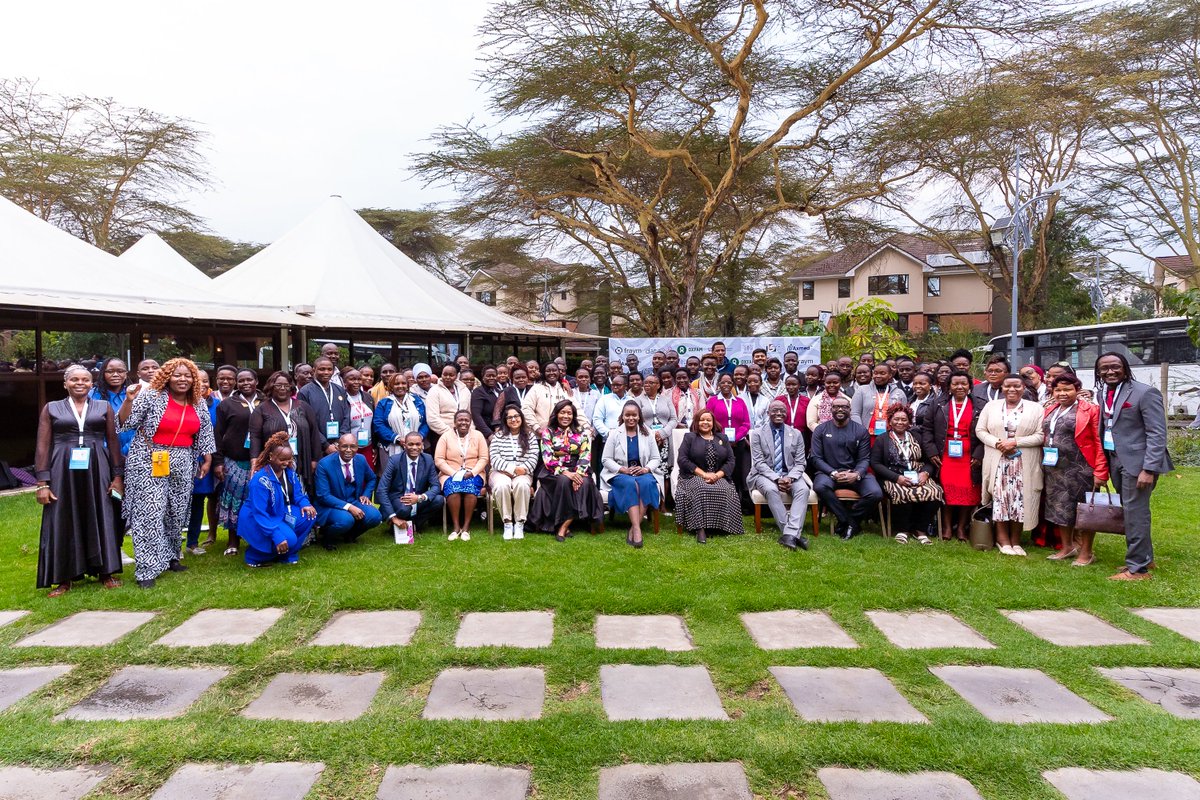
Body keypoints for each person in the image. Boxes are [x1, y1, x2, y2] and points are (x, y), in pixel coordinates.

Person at [117, 358, 216, 588]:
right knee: (150, 511)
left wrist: (207, 456)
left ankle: (172, 556)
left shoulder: (198, 402)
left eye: (187, 376)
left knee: (176, 510)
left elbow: (205, 431)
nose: (183, 380)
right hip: (149, 456)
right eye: (177, 375)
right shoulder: (151, 395)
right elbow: (124, 423)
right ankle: (147, 568)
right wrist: (128, 402)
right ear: (166, 377)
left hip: (183, 458)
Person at [34, 365, 124, 595]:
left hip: (97, 465)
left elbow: (113, 441)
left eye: (85, 379)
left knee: (101, 514)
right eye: (74, 379)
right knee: (63, 516)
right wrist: (43, 482)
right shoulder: (51, 408)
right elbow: (43, 444)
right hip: (62, 467)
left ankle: (106, 572)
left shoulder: (103, 407)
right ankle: (64, 577)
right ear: (65, 383)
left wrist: (117, 475)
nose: (80, 383)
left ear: (92, 384)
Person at [1095, 351, 1173, 580]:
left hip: (1138, 464)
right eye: (1104, 368)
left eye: (1115, 367)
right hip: (1115, 459)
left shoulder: (1144, 393)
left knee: (1135, 514)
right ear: (1098, 372)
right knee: (1132, 512)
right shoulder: (1103, 393)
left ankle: (1137, 569)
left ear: (1125, 368)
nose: (1110, 371)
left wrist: (1149, 469)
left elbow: (1157, 433)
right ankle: (1145, 560)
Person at [1041, 375, 1108, 566]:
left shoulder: (1090, 410)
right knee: (1060, 508)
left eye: (1067, 389)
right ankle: (1067, 547)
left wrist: (1101, 471)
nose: (1062, 393)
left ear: (1077, 390)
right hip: (1055, 469)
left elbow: (1098, 441)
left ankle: (1086, 552)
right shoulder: (1051, 409)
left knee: (1085, 511)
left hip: (1081, 469)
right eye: (1058, 390)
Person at [976, 374, 1046, 556]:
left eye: (1016, 386)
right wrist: (999, 443)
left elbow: (1040, 435)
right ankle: (1002, 540)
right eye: (1007, 386)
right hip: (998, 460)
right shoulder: (991, 406)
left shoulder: (1036, 408)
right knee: (1000, 498)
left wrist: (1015, 442)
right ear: (1002, 388)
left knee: (1020, 499)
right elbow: (980, 430)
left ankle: (1016, 541)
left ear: (1024, 388)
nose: (1011, 389)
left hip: (1023, 462)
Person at [921, 371, 984, 542]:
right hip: (945, 454)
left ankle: (962, 528)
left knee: (968, 490)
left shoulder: (980, 405)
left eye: (963, 383)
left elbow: (987, 431)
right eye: (955, 384)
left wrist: (979, 454)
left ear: (970, 386)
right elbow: (927, 429)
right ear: (949, 387)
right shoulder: (938, 403)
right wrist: (932, 451)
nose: (960, 387)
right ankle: (947, 527)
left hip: (969, 456)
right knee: (947, 490)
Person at [528, 400, 603, 541]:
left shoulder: (582, 432)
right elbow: (548, 458)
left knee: (585, 483)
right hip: (553, 470)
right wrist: (567, 473)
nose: (566, 416)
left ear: (573, 415)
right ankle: (563, 522)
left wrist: (578, 474)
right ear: (556, 414)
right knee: (563, 480)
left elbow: (585, 455)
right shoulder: (548, 432)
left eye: (569, 413)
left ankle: (563, 525)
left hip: (579, 468)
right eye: (562, 412)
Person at [239, 432, 317, 566]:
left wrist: (306, 504)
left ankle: (287, 553)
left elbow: (298, 494)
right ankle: (254, 557)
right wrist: (277, 535)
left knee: (309, 515)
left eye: (289, 459)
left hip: (280, 512)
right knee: (288, 538)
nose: (286, 463)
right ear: (271, 456)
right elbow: (260, 512)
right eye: (282, 459)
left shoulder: (290, 473)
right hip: (258, 518)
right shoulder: (260, 480)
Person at [871, 405, 943, 545]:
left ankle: (919, 529)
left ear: (909, 422)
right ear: (890, 421)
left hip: (918, 474)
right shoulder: (882, 439)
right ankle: (902, 529)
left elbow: (929, 460)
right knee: (901, 493)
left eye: (904, 419)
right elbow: (876, 464)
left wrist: (926, 473)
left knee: (935, 492)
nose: (900, 422)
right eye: (896, 419)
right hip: (893, 476)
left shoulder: (917, 436)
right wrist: (896, 478)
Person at [811, 396, 881, 540]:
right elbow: (816, 458)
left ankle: (851, 520)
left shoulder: (860, 431)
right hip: (829, 472)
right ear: (831, 410)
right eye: (836, 407)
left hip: (854, 472)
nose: (840, 409)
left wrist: (857, 474)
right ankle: (848, 521)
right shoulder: (821, 430)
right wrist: (833, 472)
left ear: (850, 409)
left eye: (844, 407)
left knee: (875, 493)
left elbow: (864, 459)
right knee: (820, 486)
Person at [748, 400, 811, 551]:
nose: (779, 413)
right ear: (768, 413)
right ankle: (793, 534)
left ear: (786, 413)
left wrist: (790, 477)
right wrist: (777, 478)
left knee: (803, 490)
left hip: (790, 475)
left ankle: (789, 535)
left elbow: (800, 462)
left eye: (782, 410)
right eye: (775, 410)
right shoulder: (757, 433)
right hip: (764, 474)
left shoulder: (796, 434)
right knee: (771, 490)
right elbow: (758, 463)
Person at [213, 368, 263, 557]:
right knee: (235, 502)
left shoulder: (266, 402)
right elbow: (217, 435)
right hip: (234, 461)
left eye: (249, 379)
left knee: (258, 501)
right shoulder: (227, 405)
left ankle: (257, 538)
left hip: (262, 461)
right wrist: (218, 462)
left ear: (256, 381)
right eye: (241, 381)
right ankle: (233, 541)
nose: (245, 383)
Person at [601, 401, 663, 548]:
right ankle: (637, 529)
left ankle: (634, 528)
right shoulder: (614, 434)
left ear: (639, 416)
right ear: (622, 416)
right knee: (631, 483)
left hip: (643, 472)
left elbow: (656, 458)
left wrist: (646, 469)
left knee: (646, 483)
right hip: (620, 473)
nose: (631, 418)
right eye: (627, 415)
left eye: (634, 415)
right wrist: (622, 469)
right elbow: (606, 459)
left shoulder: (647, 433)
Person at [251, 371, 325, 492]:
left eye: (286, 385)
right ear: (271, 387)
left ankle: (297, 510)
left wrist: (315, 460)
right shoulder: (262, 409)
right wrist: (255, 462)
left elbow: (314, 434)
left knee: (299, 492)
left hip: (301, 458)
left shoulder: (303, 406)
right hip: (275, 461)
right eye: (278, 385)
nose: (282, 388)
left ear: (291, 387)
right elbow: (255, 437)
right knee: (278, 491)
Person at [91, 357, 135, 563]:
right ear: (103, 373)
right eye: (110, 371)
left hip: (133, 457)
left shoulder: (134, 394)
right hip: (104, 457)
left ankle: (119, 544)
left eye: (120, 371)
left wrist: (127, 450)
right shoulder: (94, 396)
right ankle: (112, 549)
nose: (115, 374)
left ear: (126, 373)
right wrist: (112, 453)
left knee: (127, 505)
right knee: (111, 502)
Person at [675, 409, 743, 542]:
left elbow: (731, 460)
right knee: (700, 489)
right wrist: (704, 474)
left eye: (708, 420)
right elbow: (683, 460)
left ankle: (719, 526)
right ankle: (700, 528)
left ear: (713, 422)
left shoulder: (722, 438)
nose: (705, 422)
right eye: (702, 420)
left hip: (718, 475)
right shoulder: (690, 438)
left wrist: (717, 476)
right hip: (693, 476)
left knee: (726, 489)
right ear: (697, 422)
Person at [313, 433, 382, 549]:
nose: (349, 450)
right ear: (338, 447)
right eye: (344, 446)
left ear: (357, 447)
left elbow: (372, 478)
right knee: (346, 520)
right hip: (329, 504)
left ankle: (350, 535)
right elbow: (323, 495)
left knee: (375, 516)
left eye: (353, 446)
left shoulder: (361, 459)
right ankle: (327, 538)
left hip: (353, 499)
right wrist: (349, 507)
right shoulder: (324, 465)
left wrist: (366, 495)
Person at [435, 410, 489, 541]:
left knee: (470, 491)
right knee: (453, 490)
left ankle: (466, 527)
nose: (463, 422)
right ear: (454, 422)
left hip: (473, 473)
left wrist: (473, 472)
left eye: (466, 420)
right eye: (460, 420)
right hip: (450, 473)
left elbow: (483, 458)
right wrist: (454, 473)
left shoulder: (478, 435)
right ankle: (456, 527)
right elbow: (439, 459)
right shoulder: (446, 436)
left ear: (470, 422)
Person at [378, 432, 445, 534]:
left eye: (418, 444)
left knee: (439, 500)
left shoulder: (427, 459)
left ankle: (415, 525)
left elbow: (436, 486)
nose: (414, 447)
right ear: (404, 445)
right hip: (399, 499)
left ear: (422, 445)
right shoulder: (394, 460)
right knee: (405, 508)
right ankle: (395, 524)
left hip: (417, 498)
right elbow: (381, 490)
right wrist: (393, 517)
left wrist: (420, 497)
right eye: (410, 444)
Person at [490, 404, 539, 540]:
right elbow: (494, 458)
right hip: (500, 472)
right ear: (505, 420)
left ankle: (519, 523)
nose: (513, 419)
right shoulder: (498, 436)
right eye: (509, 417)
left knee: (522, 485)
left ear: (521, 418)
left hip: (524, 472)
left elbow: (534, 457)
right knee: (502, 486)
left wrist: (520, 471)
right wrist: (511, 470)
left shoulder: (530, 436)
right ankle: (507, 523)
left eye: (516, 416)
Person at [186, 371, 220, 555]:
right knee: (182, 502)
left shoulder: (217, 405)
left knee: (199, 500)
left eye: (205, 381)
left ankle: (192, 542)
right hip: (185, 456)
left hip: (209, 457)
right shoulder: (182, 403)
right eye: (198, 381)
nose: (202, 384)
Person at [707, 373, 752, 510]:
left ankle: (742, 503)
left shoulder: (740, 401)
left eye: (729, 382)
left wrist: (736, 437)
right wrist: (725, 438)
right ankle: (724, 501)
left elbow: (746, 423)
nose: (726, 385)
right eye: (723, 382)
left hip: (739, 443)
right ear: (718, 384)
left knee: (740, 471)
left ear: (733, 384)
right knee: (724, 471)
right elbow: (709, 421)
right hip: (719, 443)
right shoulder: (713, 401)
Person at [298, 356, 350, 454]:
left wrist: (340, 440)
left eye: (329, 369)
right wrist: (325, 445)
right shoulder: (305, 392)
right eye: (322, 369)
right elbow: (306, 422)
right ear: (314, 371)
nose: (326, 372)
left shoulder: (340, 390)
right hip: (317, 447)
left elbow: (346, 416)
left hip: (339, 445)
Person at [374, 373, 428, 458]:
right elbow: (378, 425)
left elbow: (425, 422)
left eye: (403, 383)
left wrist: (418, 437)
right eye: (396, 384)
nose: (400, 386)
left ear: (407, 386)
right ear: (391, 386)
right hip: (391, 446)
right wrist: (397, 438)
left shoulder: (417, 401)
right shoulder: (383, 403)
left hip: (415, 446)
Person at [851, 364, 907, 438]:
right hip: (866, 435)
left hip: (891, 435)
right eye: (875, 373)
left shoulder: (899, 393)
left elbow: (904, 415)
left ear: (890, 375)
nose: (878, 376)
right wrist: (861, 431)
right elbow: (855, 413)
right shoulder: (862, 390)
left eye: (882, 373)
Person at [425, 363, 472, 448]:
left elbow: (470, 413)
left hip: (465, 435)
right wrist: (450, 434)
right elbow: (432, 419)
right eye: (445, 374)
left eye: (451, 375)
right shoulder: (434, 391)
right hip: (442, 435)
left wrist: (470, 432)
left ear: (457, 376)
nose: (447, 377)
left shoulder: (464, 390)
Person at [635, 373, 677, 468]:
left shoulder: (666, 400)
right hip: (646, 436)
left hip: (665, 438)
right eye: (645, 383)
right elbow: (637, 420)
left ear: (658, 385)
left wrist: (662, 433)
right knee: (649, 467)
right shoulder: (637, 400)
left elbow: (674, 419)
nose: (647, 385)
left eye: (651, 383)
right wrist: (652, 434)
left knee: (665, 469)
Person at [523, 362, 577, 432]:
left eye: (554, 370)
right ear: (543, 373)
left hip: (563, 436)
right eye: (548, 371)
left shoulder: (565, 389)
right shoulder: (536, 388)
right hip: (540, 435)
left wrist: (586, 427)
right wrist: (536, 428)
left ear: (559, 372)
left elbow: (577, 409)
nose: (551, 373)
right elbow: (526, 409)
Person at [340, 367, 376, 472]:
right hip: (349, 448)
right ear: (345, 382)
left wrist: (374, 446)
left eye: (359, 379)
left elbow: (373, 423)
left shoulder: (368, 397)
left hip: (367, 446)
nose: (356, 382)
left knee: (367, 475)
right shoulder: (341, 398)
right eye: (352, 379)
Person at [471, 365, 505, 438]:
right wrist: (489, 434)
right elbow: (476, 415)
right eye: (488, 376)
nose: (491, 378)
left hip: (501, 431)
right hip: (486, 433)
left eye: (494, 376)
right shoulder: (478, 392)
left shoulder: (500, 391)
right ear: (483, 377)